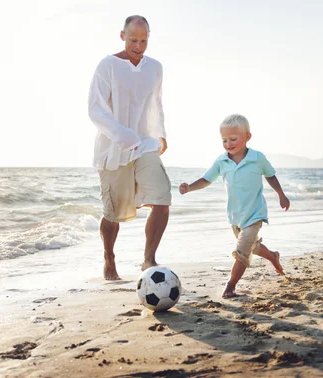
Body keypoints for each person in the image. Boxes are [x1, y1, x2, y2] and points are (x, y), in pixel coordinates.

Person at [88, 15, 171, 281]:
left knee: (161, 196)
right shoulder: (107, 65)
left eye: (143, 40)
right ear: (122, 36)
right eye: (133, 40)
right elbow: (95, 109)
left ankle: (149, 260)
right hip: (113, 147)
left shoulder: (155, 68)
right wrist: (123, 136)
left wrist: (160, 134)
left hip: (146, 143)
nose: (138, 45)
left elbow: (155, 103)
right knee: (112, 213)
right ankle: (109, 258)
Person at [179, 114, 290, 298]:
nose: (228, 144)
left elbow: (270, 175)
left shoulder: (257, 158)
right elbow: (207, 180)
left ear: (247, 137)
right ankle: (272, 256)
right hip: (235, 216)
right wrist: (190, 187)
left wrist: (281, 195)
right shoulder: (221, 161)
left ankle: (230, 286)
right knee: (252, 247)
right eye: (224, 140)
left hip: (255, 213)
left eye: (233, 139)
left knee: (242, 250)